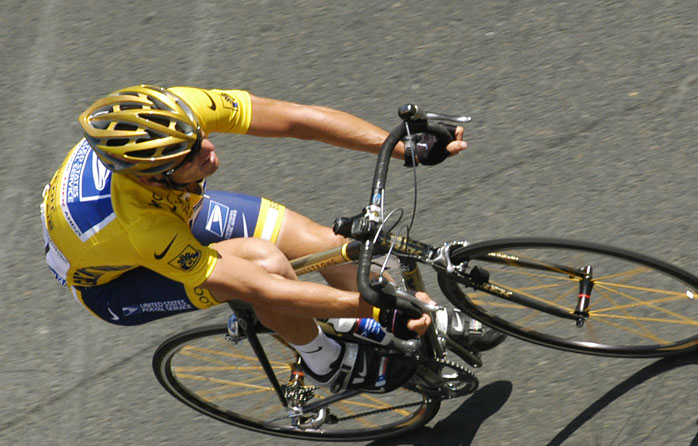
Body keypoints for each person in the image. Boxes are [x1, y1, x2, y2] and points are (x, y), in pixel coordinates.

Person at [41, 85, 502, 393]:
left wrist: (404, 147)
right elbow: (259, 287)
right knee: (264, 266)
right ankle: (325, 361)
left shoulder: (175, 111)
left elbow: (296, 120)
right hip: (117, 281)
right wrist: (374, 309)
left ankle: (400, 318)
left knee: (327, 245)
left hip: (166, 210)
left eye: (199, 136)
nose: (208, 149)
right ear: (153, 178)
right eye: (189, 156)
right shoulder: (142, 226)